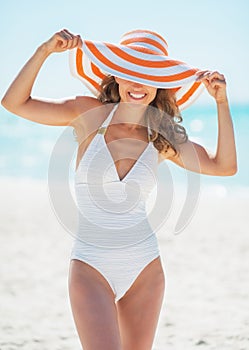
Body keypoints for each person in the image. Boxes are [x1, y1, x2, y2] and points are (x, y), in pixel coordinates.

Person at [1, 28, 237, 350]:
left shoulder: (162, 135)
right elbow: (14, 103)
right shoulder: (88, 115)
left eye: (148, 75)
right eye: (129, 73)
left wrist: (221, 103)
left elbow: (224, 165)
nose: (138, 85)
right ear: (116, 76)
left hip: (145, 269)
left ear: (160, 84)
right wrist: (44, 51)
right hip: (90, 266)